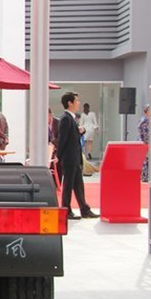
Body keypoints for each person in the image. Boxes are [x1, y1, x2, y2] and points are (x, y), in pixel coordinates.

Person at [57, 92, 99, 220]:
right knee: (68, 185)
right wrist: (59, 156)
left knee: (78, 185)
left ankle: (84, 209)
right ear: (70, 103)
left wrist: (80, 131)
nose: (78, 103)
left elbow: (71, 136)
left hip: (74, 157)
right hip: (69, 158)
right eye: (76, 100)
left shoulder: (71, 118)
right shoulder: (66, 118)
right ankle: (67, 210)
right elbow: (62, 139)